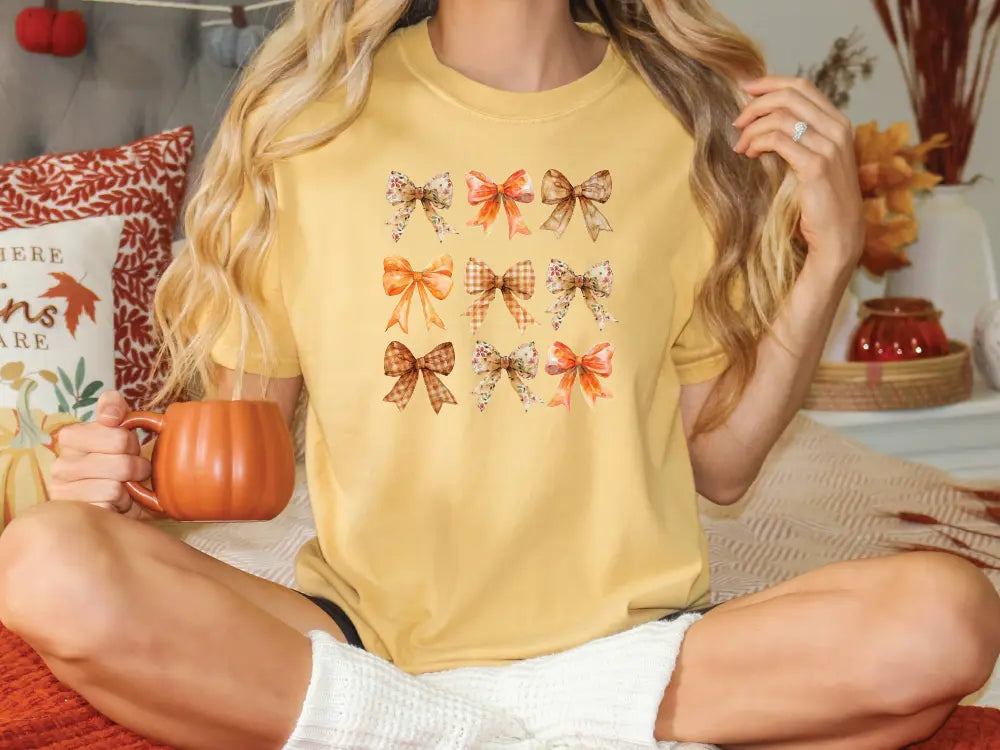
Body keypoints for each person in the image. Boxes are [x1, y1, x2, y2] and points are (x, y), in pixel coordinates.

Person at [1, 1, 998, 748]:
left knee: (946, 618)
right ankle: (479, 726)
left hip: (632, 644)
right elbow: (236, 453)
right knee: (41, 562)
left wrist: (829, 260)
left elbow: (723, 470)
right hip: (363, 631)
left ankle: (406, 730)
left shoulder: (684, 126)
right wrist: (127, 477)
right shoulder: (306, 123)